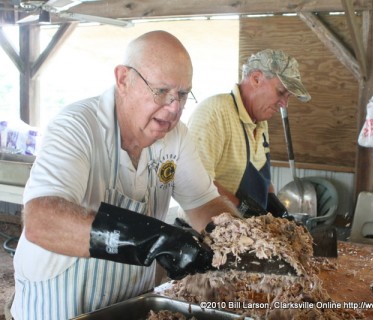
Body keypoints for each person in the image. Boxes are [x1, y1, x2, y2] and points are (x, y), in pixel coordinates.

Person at [11, 31, 239, 320]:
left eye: (182, 95)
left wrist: (238, 241)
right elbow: (41, 220)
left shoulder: (176, 137)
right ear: (123, 79)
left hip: (128, 304)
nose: (174, 108)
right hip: (59, 304)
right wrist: (154, 239)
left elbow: (204, 203)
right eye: (161, 91)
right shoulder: (77, 127)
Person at [187, 49, 311, 218]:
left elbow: (261, 174)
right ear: (256, 79)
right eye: (281, 92)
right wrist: (242, 207)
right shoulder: (214, 113)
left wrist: (272, 200)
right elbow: (196, 182)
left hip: (245, 232)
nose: (284, 104)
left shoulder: (260, 121)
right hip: (209, 231)